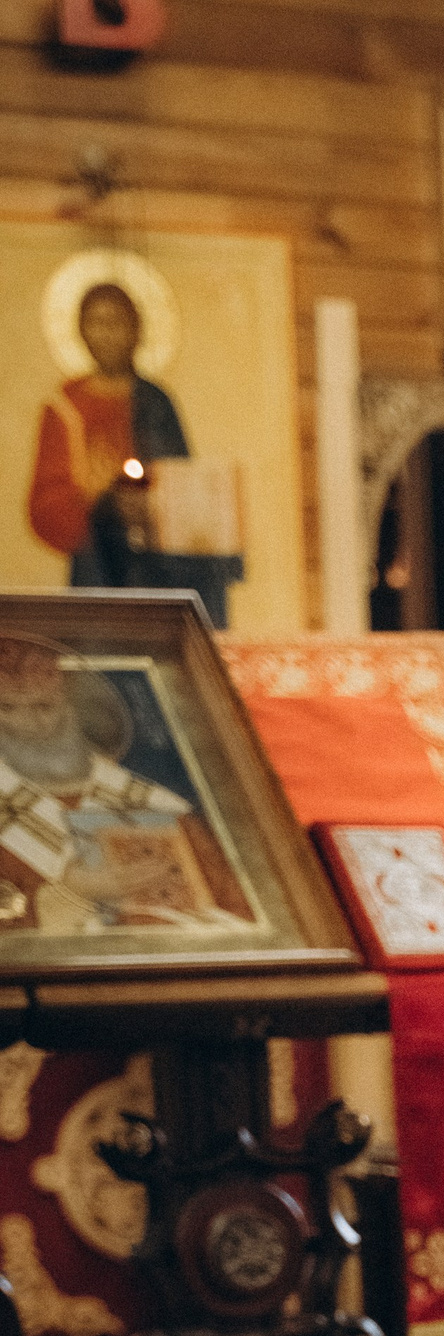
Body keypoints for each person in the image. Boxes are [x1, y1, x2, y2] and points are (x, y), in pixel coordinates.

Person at [0, 630, 250, 936]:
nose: (26, 723)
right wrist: (68, 893)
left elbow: (239, 916)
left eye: (44, 707)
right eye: (6, 708)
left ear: (71, 708)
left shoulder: (155, 805)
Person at [27, 279, 240, 628]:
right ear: (81, 331)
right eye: (96, 322)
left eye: (117, 322)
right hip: (98, 566)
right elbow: (45, 506)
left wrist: (153, 500)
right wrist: (93, 497)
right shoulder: (65, 408)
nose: (107, 334)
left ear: (136, 329)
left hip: (159, 570)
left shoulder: (155, 401)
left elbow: (179, 484)